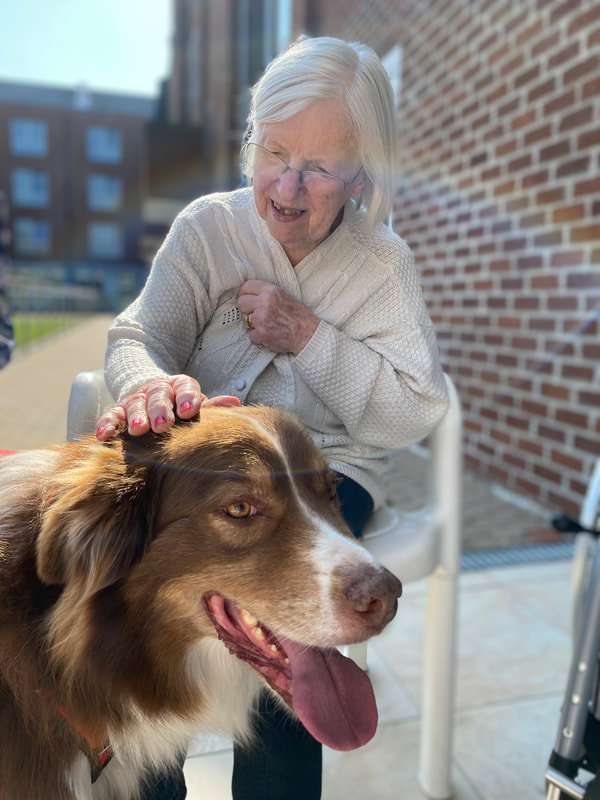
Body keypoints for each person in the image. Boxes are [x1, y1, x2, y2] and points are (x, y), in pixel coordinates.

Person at [97, 35, 448, 800]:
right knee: (151, 594)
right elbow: (136, 335)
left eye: (319, 167)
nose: (288, 186)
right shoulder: (206, 228)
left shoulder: (383, 266)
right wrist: (150, 386)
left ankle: (291, 734)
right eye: (274, 152)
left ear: (362, 173)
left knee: (293, 604)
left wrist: (309, 339)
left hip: (327, 472)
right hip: (202, 469)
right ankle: (152, 765)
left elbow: (413, 408)